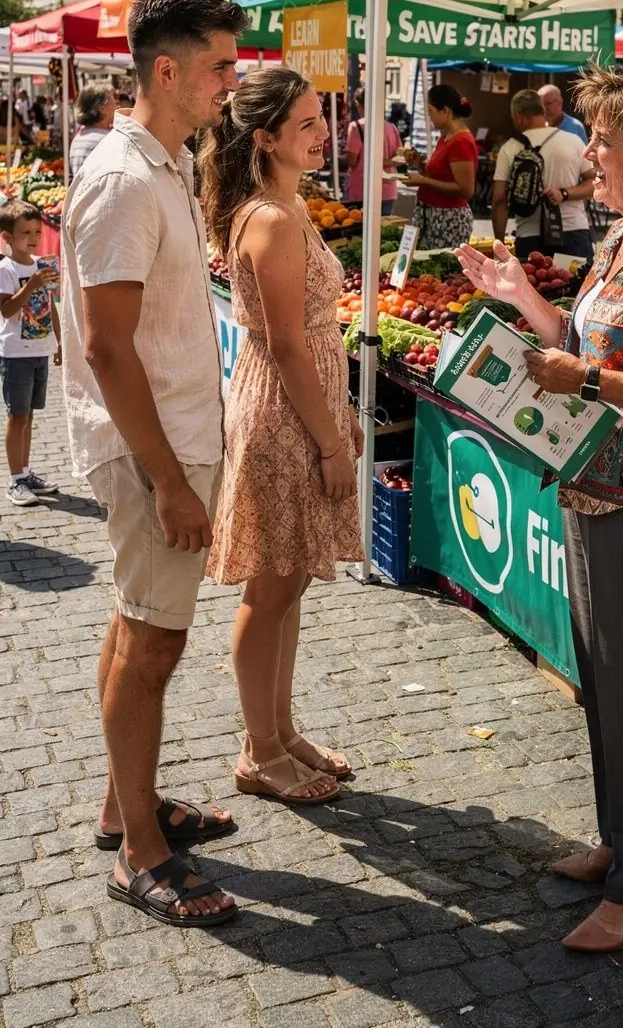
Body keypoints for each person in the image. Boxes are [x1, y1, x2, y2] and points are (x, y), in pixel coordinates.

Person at [456, 69, 623, 954]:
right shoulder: (622, 239)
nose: (592, 155)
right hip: (592, 482)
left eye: (607, 142)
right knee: (605, 680)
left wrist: (587, 380)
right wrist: (522, 298)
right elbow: (575, 342)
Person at [61, 0, 245, 928]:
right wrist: (169, 476)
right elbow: (105, 346)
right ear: (164, 72)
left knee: (137, 625)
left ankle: (122, 806)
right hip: (150, 448)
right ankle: (140, 847)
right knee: (154, 641)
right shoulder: (129, 178)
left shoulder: (162, 161)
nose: (232, 80)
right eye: (219, 65)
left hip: (164, 436)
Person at [199, 66, 364, 805]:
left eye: (318, 117)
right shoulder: (270, 218)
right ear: (265, 137)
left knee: (291, 579)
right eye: (304, 122)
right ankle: (259, 750)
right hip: (283, 414)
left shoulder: (283, 206)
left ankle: (282, 729)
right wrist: (330, 441)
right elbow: (290, 344)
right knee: (270, 588)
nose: (321, 131)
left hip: (301, 403)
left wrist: (342, 412)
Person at [0, 202, 61, 508]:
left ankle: (25, 472)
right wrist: (31, 285)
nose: (34, 237)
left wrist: (58, 342)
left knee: (30, 416)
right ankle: (14, 480)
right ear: (7, 237)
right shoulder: (5, 269)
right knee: (17, 416)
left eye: (37, 231)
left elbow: (51, 307)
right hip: (15, 354)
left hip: (40, 349)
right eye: (25, 232)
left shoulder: (41, 264)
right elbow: (7, 309)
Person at [492, 88, 595, 262]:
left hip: (529, 238)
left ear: (519, 116)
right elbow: (595, 182)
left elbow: (499, 200)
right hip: (573, 234)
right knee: (575, 287)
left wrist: (500, 245)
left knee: (534, 288)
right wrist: (564, 193)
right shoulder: (573, 141)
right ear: (542, 111)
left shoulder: (509, 148)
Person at [405, 83, 479, 248]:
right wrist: (418, 162)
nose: (429, 118)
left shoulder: (461, 142)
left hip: (448, 220)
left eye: (431, 112)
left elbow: (466, 189)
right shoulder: (445, 137)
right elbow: (436, 174)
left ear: (446, 111)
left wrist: (424, 181)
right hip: (432, 214)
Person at [345, 87, 402, 214]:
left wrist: (337, 159)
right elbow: (399, 159)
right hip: (388, 191)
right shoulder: (391, 128)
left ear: (359, 105)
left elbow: (352, 160)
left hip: (363, 190)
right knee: (384, 231)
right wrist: (386, 162)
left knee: (359, 230)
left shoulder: (356, 127)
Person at [69, 86, 116, 177]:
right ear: (102, 109)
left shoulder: (78, 138)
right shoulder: (107, 139)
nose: (117, 107)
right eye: (114, 103)